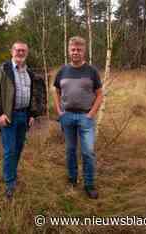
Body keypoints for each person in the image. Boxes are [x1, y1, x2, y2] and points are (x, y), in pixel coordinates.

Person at [54, 36, 103, 199]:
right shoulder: (62, 71)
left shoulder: (92, 71)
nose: (76, 52)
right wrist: (59, 111)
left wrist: (91, 114)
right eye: (73, 49)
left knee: (88, 152)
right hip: (67, 116)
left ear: (84, 51)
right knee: (70, 150)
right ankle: (72, 179)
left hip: (85, 117)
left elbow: (99, 94)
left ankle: (89, 185)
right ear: (69, 50)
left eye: (79, 50)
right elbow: (56, 91)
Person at [0, 41, 38, 200]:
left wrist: (32, 114)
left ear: (26, 53)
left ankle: (11, 173)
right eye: (18, 50)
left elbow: (33, 94)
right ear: (12, 51)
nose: (20, 53)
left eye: (23, 50)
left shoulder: (29, 72)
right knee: (10, 149)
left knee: (18, 147)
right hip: (9, 116)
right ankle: (10, 182)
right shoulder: (4, 69)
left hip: (24, 115)